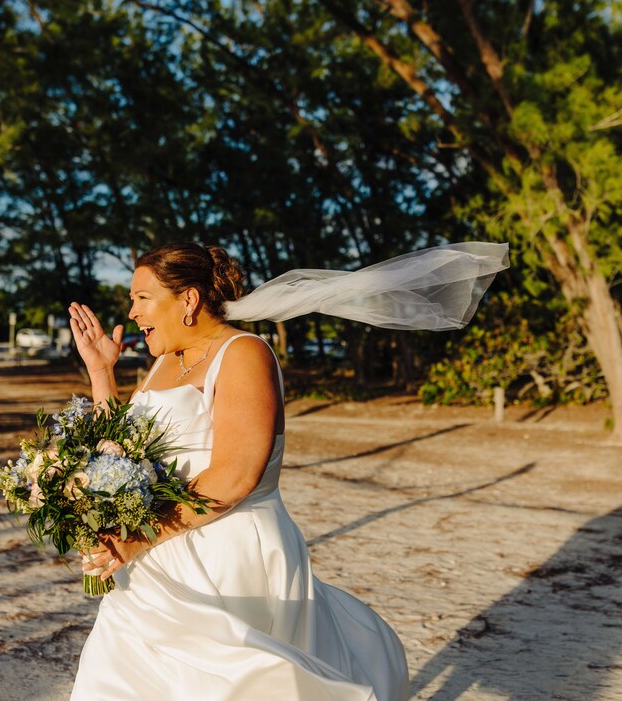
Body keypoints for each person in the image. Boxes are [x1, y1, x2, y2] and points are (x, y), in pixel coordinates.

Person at [66, 242, 411, 701]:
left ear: (188, 299)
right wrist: (101, 371)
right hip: (155, 564)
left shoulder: (244, 353)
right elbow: (120, 452)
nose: (131, 313)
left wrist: (136, 538)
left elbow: (236, 475)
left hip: (227, 557)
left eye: (141, 298)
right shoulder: (163, 363)